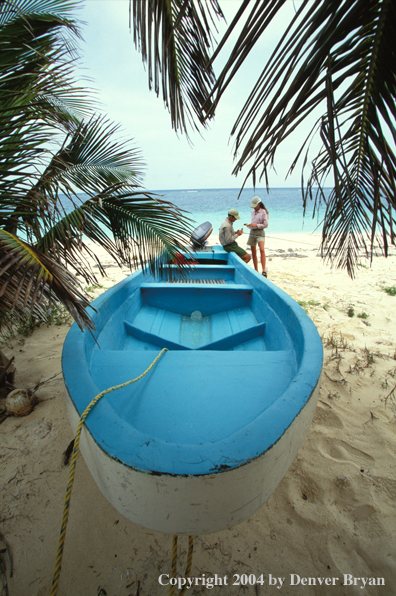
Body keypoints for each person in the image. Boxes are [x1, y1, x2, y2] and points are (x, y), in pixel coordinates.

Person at [246, 196, 269, 276]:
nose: (254, 208)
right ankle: (256, 270)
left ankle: (263, 270)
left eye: (255, 205)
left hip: (260, 233)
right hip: (252, 232)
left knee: (262, 250)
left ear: (259, 204)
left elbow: (265, 225)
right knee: (253, 252)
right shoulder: (253, 212)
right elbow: (253, 223)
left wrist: (255, 225)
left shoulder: (263, 212)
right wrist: (249, 225)